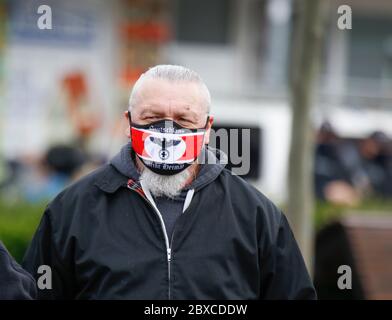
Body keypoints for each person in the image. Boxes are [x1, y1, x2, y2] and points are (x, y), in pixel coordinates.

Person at [23, 65, 316, 300]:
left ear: (207, 128)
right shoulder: (73, 210)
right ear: (128, 122)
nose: (167, 129)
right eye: (152, 117)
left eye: (184, 119)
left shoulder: (255, 215)